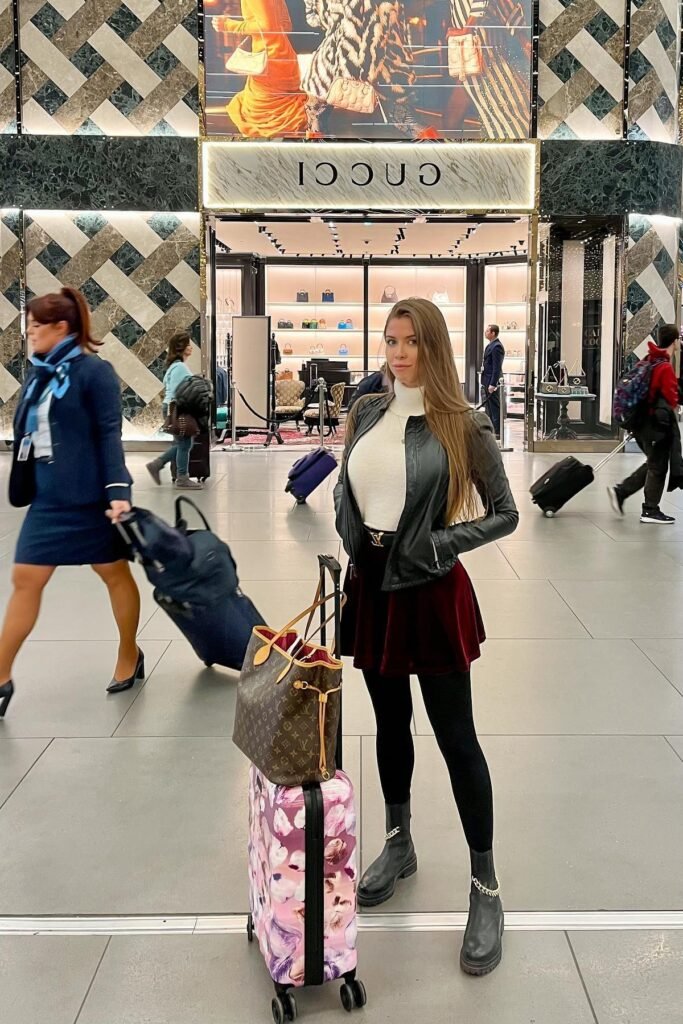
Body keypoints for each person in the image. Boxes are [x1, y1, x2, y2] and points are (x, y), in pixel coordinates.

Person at [334, 297, 518, 976]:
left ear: (433, 347)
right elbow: (346, 486)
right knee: (387, 723)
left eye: (411, 341)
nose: (398, 352)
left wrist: (440, 544)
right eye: (390, 339)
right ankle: (398, 840)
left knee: (456, 738)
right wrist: (351, 537)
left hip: (431, 590)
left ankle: (486, 886)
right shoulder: (364, 410)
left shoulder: (461, 423)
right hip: (372, 586)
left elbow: (505, 514)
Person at [0, 288, 142, 720]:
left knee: (113, 573)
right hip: (48, 500)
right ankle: (1, 677)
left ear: (61, 327)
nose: (30, 335)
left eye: (35, 327)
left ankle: (128, 651)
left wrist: (118, 493)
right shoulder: (40, 373)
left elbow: (107, 435)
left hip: (91, 499)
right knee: (26, 577)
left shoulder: (93, 373)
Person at [609, 324, 682, 525]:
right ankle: (650, 510)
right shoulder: (665, 366)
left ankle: (621, 491)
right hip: (656, 426)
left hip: (641, 424)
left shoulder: (650, 359)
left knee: (654, 463)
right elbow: (671, 398)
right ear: (675, 341)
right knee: (658, 467)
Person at [212, 0, 307, 138]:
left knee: (259, 113)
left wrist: (228, 25)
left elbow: (266, 27)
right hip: (284, 55)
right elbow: (286, 25)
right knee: (276, 103)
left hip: (268, 60)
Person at [146, 332, 202, 491]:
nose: (191, 347)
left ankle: (158, 464)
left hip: (173, 407)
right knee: (184, 444)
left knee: (183, 443)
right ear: (181, 348)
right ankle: (182, 477)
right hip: (177, 408)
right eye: (188, 344)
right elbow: (180, 391)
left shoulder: (175, 366)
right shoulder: (179, 367)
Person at [480, 324, 505, 436]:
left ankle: (497, 431)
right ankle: (491, 429)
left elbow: (496, 367)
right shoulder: (490, 345)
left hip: (491, 381)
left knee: (494, 408)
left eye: (487, 331)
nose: (485, 332)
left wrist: (492, 383)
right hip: (486, 380)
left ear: (493, 333)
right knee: (488, 408)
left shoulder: (497, 347)